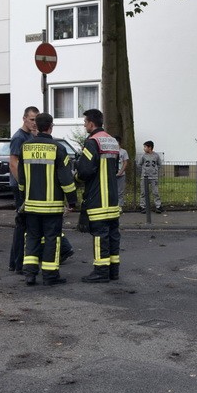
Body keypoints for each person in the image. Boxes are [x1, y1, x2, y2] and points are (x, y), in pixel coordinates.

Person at [9, 106, 73, 272]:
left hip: (31, 195)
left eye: (35, 120)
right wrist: (72, 200)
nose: (33, 124)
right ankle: (23, 265)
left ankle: (26, 267)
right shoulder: (20, 138)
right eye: (31, 120)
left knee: (31, 232)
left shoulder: (29, 142)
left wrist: (27, 190)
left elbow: (24, 171)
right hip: (39, 196)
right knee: (38, 231)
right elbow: (13, 164)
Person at [76, 109, 121, 282]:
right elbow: (115, 169)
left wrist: (76, 177)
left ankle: (101, 272)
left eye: (85, 122)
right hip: (112, 198)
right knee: (113, 235)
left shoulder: (92, 142)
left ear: (91, 123)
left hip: (97, 197)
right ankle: (113, 271)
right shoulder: (112, 141)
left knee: (99, 235)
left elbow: (85, 170)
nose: (84, 125)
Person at [136, 140, 162, 213]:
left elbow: (159, 164)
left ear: (150, 147)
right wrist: (144, 171)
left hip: (154, 177)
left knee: (155, 192)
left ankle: (158, 206)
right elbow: (139, 164)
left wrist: (155, 171)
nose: (144, 148)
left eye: (145, 147)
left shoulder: (156, 156)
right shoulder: (143, 156)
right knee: (143, 192)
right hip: (144, 177)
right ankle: (142, 206)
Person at [115, 135, 130, 210]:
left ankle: (120, 206)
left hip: (121, 174)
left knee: (120, 191)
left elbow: (125, 162)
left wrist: (121, 172)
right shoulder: (111, 151)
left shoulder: (123, 152)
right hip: (113, 174)